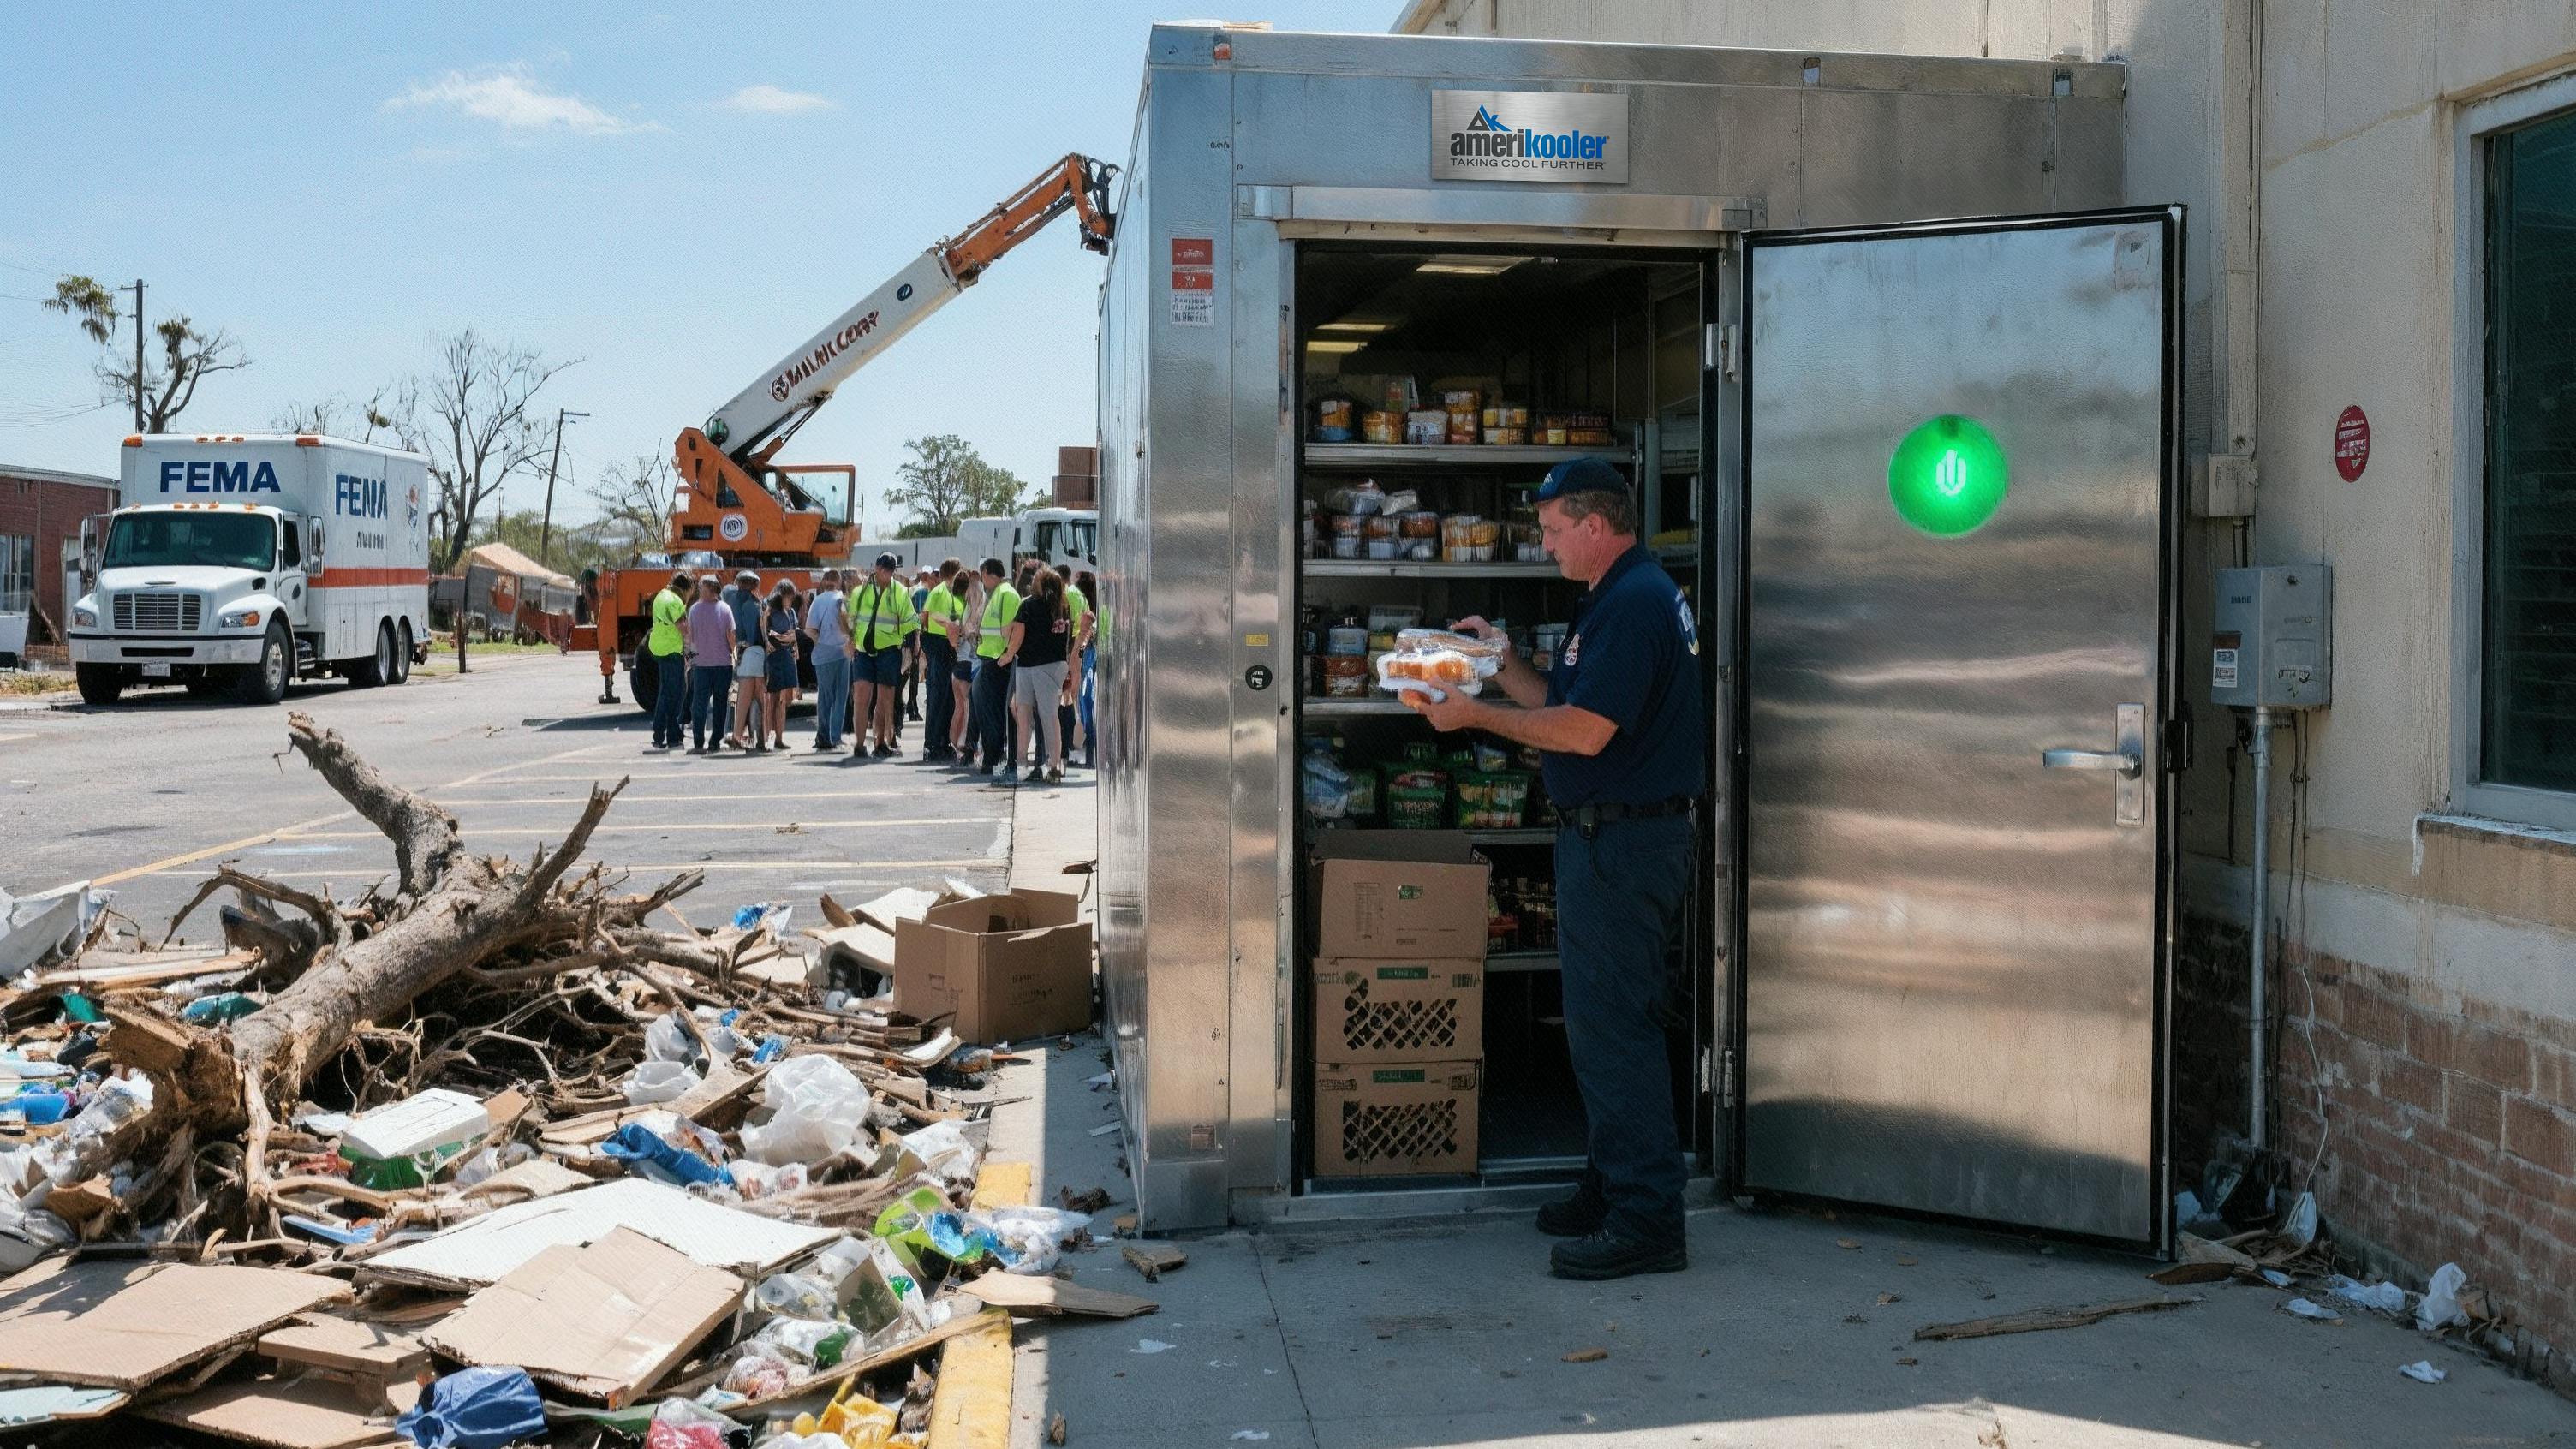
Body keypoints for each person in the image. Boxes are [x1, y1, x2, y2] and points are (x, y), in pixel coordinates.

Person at [1404, 456, 1703, 1281]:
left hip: (1624, 843)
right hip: (1612, 839)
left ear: (1596, 526)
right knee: (1605, 1025)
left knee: (1615, 1033)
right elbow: (1554, 701)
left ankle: (1647, 1218)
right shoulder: (1618, 598)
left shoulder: (1634, 605)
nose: (1545, 543)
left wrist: (1471, 715)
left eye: (1552, 529)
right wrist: (1498, 661)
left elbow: (1586, 732)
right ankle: (1613, 1186)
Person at [1000, 565, 1070, 788]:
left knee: (1023, 714)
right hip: (1055, 665)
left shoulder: (1029, 604)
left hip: (1030, 666)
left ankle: (1022, 763)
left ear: (1038, 583)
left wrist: (1008, 655)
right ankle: (1054, 764)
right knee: (1049, 716)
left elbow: (1018, 633)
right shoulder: (1062, 607)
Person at [846, 552, 918, 760]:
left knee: (885, 699)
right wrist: (849, 640)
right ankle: (860, 745)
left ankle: (880, 742)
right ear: (876, 567)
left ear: (893, 572)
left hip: (888, 651)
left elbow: (911, 621)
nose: (884, 573)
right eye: (881, 568)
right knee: (862, 696)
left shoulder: (901, 593)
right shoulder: (861, 592)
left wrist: (905, 634)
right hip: (863, 651)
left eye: (888, 570)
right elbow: (850, 620)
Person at [967, 558, 1019, 776]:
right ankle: (991, 755)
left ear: (988, 573)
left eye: (983, 576)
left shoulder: (1005, 595)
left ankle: (992, 757)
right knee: (984, 707)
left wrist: (1004, 657)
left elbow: (1009, 630)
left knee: (989, 712)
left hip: (998, 662)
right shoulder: (997, 594)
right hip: (991, 660)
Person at [918, 558, 969, 765]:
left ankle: (942, 743)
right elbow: (928, 618)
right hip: (940, 646)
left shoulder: (946, 591)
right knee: (939, 697)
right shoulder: (942, 592)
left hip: (945, 645)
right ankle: (932, 745)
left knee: (947, 698)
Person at [683, 575, 734, 755]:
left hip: (703, 665)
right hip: (721, 664)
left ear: (711, 590)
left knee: (700, 703)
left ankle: (699, 741)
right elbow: (731, 637)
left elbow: (690, 637)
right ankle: (714, 741)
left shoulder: (695, 610)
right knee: (719, 703)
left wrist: (690, 659)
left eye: (702, 587)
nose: (699, 589)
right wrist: (731, 653)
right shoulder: (725, 609)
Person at [644, 569, 690, 753]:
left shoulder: (661, 596)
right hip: (672, 651)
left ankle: (658, 734)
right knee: (673, 695)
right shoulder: (675, 601)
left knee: (665, 693)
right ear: (686, 588)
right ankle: (672, 737)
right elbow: (683, 628)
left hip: (659, 648)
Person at [807, 568, 851, 751]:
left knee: (825, 697)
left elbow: (810, 629)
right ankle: (836, 736)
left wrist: (820, 642)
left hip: (824, 654)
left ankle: (823, 737)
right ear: (839, 582)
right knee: (841, 696)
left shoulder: (818, 601)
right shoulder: (845, 600)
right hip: (844, 652)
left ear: (825, 582)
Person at [726, 570, 767, 752]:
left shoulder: (730, 598)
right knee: (756, 697)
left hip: (738, 651)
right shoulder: (752, 605)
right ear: (754, 585)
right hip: (753, 651)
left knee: (739, 696)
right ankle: (755, 738)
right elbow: (754, 634)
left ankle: (736, 734)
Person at [763, 581, 799, 751]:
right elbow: (773, 636)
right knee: (774, 699)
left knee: (783, 700)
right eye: (788, 596)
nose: (791, 600)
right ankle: (771, 736)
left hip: (786, 656)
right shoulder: (771, 611)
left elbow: (792, 634)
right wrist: (786, 638)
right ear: (781, 595)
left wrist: (791, 644)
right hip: (776, 657)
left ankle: (779, 737)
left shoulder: (789, 611)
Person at [1071, 568, 1100, 768]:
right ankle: (1089, 752)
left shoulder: (1087, 614)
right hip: (1093, 657)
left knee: (1085, 701)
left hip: (1086, 657)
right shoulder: (1099, 610)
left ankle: (1089, 752)